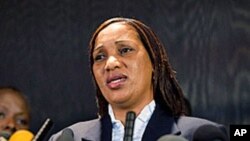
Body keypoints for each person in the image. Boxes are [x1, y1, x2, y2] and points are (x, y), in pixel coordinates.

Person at [49, 17, 229, 141]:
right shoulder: (68, 137)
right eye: (100, 57)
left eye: (125, 50)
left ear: (154, 62)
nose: (110, 64)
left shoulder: (199, 134)